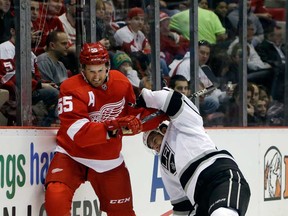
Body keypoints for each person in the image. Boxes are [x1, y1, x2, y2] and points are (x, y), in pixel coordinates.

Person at [44, 42, 164, 216]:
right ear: (82, 68)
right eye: (91, 71)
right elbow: (79, 134)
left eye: (100, 70)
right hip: (72, 155)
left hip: (108, 160)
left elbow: (135, 114)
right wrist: (115, 125)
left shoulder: (121, 82)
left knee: (123, 213)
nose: (96, 76)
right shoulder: (70, 89)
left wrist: (162, 113)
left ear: (108, 66)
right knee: (56, 196)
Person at [138, 87, 251, 216]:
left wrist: (144, 97)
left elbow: (173, 100)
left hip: (219, 177)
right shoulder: (164, 168)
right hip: (199, 200)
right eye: (150, 146)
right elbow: (182, 207)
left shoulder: (183, 125)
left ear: (162, 129)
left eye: (153, 139)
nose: (154, 146)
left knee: (222, 214)